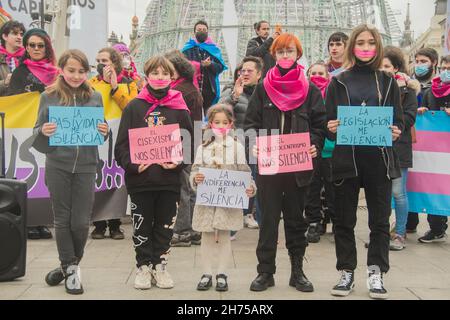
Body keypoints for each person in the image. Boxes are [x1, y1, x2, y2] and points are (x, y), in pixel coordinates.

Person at [326, 24, 403, 299]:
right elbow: (327, 120)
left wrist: (396, 130)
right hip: (346, 159)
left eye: (371, 42)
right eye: (360, 42)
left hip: (378, 159)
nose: (366, 47)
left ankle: (376, 272)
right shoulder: (338, 81)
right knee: (344, 220)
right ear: (352, 46)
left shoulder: (388, 81)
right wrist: (331, 127)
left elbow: (398, 120)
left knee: (380, 220)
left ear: (378, 46)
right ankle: (346, 271)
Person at [245, 33, 326, 293]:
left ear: (297, 54)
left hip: (298, 168)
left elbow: (319, 125)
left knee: (295, 221)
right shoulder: (263, 88)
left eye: (289, 51)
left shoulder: (309, 89)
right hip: (268, 168)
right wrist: (254, 144)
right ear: (274, 56)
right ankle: (265, 272)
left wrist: (315, 143)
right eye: (280, 52)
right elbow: (250, 125)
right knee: (268, 221)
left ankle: (297, 272)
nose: (285, 56)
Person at [114, 56, 193, 290]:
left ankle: (161, 265)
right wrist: (133, 165)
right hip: (141, 180)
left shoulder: (180, 108)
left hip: (169, 180)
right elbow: (121, 146)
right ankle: (143, 267)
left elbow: (188, 143)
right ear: (147, 76)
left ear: (172, 77)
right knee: (141, 225)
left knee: (165, 226)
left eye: (164, 73)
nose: (160, 77)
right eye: (155, 73)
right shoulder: (133, 106)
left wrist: (178, 163)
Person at [34, 49, 108, 294]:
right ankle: (71, 271)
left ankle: (66, 266)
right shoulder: (48, 96)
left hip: (86, 166)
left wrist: (104, 129)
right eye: (71, 71)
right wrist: (43, 130)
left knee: (81, 222)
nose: (76, 76)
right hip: (58, 166)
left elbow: (101, 128)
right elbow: (37, 131)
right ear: (62, 71)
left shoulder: (95, 97)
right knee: (62, 219)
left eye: (81, 71)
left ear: (87, 72)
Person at [190, 104, 256, 292]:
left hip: (228, 202)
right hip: (207, 202)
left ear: (231, 124)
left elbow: (244, 172)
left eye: (224, 122)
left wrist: (250, 187)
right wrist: (196, 178)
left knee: (225, 237)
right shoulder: (202, 148)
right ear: (210, 124)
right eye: (216, 122)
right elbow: (195, 170)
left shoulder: (237, 147)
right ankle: (206, 273)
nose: (220, 126)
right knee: (207, 237)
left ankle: (221, 273)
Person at [7, 28, 57, 240]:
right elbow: (14, 101)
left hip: (48, 130)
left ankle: (42, 221)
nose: (36, 49)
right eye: (32, 45)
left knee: (45, 175)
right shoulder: (19, 72)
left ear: (47, 47)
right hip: (24, 131)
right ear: (26, 48)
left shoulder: (57, 72)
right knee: (27, 173)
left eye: (40, 45)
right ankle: (27, 221)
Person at [89, 47, 139, 240]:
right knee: (98, 179)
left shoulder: (129, 84)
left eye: (105, 60)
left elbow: (130, 107)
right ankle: (99, 224)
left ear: (115, 63)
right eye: (98, 60)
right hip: (97, 139)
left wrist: (114, 87)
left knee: (117, 180)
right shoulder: (90, 84)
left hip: (120, 139)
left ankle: (115, 224)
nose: (101, 64)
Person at [163, 50, 203, 247]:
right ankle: (194, 229)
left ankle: (182, 230)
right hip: (190, 142)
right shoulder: (189, 88)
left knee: (182, 189)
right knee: (190, 187)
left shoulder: (181, 92)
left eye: (168, 70)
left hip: (182, 143)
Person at [381, 46, 419, 251]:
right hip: (378, 148)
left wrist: (391, 123)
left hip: (399, 148)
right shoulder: (374, 88)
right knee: (380, 194)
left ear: (396, 68)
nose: (383, 70)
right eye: (380, 66)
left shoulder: (407, 90)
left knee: (398, 192)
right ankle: (380, 232)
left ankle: (400, 233)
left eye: (387, 66)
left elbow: (410, 116)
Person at [221, 56, 263, 229]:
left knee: (254, 179)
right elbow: (220, 111)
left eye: (249, 71)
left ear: (259, 74)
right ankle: (234, 216)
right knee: (236, 179)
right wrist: (235, 96)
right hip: (236, 142)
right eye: (242, 70)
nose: (245, 73)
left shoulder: (264, 91)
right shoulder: (231, 89)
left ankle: (249, 214)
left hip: (258, 143)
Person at [415, 55, 450, 243]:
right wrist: (423, 112)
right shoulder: (432, 91)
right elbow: (426, 113)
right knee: (435, 187)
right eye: (444, 67)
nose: (446, 71)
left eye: (449, 68)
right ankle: (437, 228)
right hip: (437, 151)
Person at [406, 48, 439, 234]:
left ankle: (437, 226)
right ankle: (410, 222)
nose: (419, 65)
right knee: (410, 181)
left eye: (423, 61)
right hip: (410, 142)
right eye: (417, 61)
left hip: (433, 146)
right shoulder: (409, 84)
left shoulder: (440, 87)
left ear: (433, 63)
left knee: (432, 182)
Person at [304, 62, 334, 243]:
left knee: (333, 189)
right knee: (312, 188)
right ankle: (314, 222)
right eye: (313, 73)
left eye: (320, 73)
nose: (317, 76)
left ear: (328, 76)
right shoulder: (304, 94)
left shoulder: (334, 94)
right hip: (311, 149)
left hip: (332, 149)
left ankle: (335, 222)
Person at [182, 20, 227, 115]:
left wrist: (210, 65)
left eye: (204, 30)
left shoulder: (213, 49)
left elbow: (219, 68)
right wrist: (198, 65)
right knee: (194, 115)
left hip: (209, 89)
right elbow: (182, 66)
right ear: (194, 32)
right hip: (192, 88)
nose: (202, 31)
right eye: (199, 29)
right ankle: (196, 130)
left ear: (207, 32)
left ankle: (208, 130)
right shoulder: (187, 49)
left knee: (210, 115)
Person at [0, 20, 25, 96]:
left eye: (21, 34)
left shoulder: (28, 58)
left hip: (24, 105)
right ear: (5, 36)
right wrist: (5, 82)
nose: (19, 37)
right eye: (15, 33)